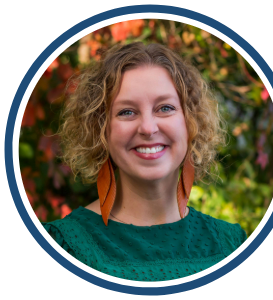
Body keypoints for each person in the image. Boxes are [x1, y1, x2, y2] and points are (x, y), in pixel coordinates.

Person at [42, 42, 247, 282]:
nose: (148, 128)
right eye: (127, 112)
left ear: (191, 124)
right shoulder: (61, 246)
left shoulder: (231, 243)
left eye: (165, 108)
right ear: (100, 130)